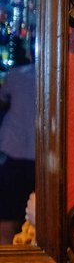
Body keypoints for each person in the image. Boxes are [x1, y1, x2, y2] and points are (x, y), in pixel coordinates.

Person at [0, 37, 36, 244]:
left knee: (6, 221)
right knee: (32, 225)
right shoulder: (51, 77)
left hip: (13, 157)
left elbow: (3, 99)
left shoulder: (15, 75)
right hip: (40, 159)